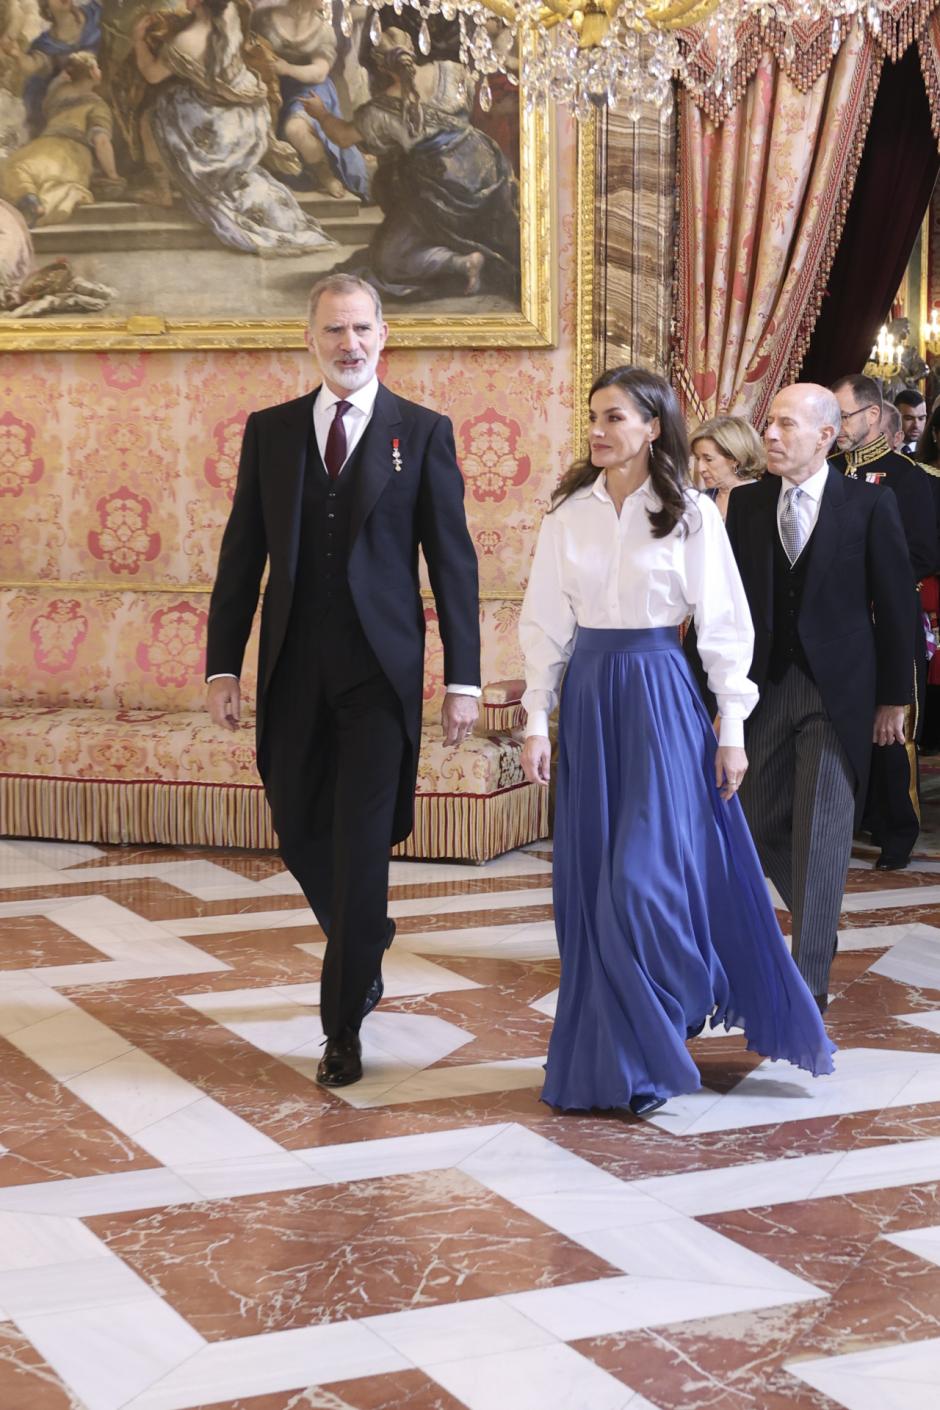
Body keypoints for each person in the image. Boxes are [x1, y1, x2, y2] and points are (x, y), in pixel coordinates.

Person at [519, 366, 834, 1116]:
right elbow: (542, 629)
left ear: (653, 427)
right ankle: (625, 1060)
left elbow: (727, 629)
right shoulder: (566, 519)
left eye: (615, 417)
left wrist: (731, 730)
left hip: (662, 698)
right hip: (591, 701)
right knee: (594, 894)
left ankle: (669, 1010)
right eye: (593, 416)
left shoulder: (692, 513)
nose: (597, 429)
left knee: (642, 881)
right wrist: (536, 719)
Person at [206, 273, 481, 1088]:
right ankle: (366, 938)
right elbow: (238, 559)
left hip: (377, 680)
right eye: (333, 331)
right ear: (310, 339)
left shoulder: (422, 433)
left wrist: (463, 678)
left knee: (361, 849)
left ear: (383, 335)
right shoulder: (272, 431)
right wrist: (223, 663)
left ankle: (342, 1031)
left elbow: (453, 567)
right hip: (292, 671)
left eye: (362, 329)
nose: (349, 344)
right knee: (296, 833)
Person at [727, 384, 915, 1008]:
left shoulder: (868, 505)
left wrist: (894, 697)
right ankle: (818, 922)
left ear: (826, 437)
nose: (771, 436)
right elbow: (728, 606)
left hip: (841, 695)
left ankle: (808, 985)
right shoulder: (748, 505)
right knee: (750, 824)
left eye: (785, 425)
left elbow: (896, 608)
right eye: (768, 424)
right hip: (766, 687)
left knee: (825, 831)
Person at [302, 26, 519, 299]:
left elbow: (343, 137)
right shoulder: (450, 70)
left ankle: (462, 262)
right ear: (412, 50)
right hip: (485, 166)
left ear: (379, 66)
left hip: (440, 188)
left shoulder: (378, 111)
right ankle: (466, 259)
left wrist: (321, 114)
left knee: (389, 261)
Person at [830, 373, 937, 870]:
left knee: (893, 730)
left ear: (872, 417)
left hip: (885, 617)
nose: (835, 426)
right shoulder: (828, 469)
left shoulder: (911, 478)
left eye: (842, 416)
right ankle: (854, 816)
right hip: (831, 621)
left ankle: (898, 831)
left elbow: (921, 553)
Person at [128, 0, 334, 255]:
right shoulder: (233, 11)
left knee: (154, 113)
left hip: (219, 129)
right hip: (249, 119)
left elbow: (152, 75)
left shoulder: (184, 42)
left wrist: (138, 40)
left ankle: (162, 190)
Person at [250, 0, 369, 200]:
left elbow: (320, 73)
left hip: (310, 90)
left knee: (295, 129)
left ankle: (325, 175)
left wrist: (287, 68)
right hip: (271, 87)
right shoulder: (264, 18)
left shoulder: (323, 30)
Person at [0, 51, 123, 227]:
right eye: (96, 67)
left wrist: (64, 77)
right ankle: (32, 203)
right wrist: (112, 174)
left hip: (47, 148)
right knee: (54, 183)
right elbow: (101, 141)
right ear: (92, 73)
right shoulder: (97, 105)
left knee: (13, 167)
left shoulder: (56, 94)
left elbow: (55, 88)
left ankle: (29, 200)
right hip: (69, 153)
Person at [690, 414, 765, 520]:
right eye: (698, 459)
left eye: (708, 459)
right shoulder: (701, 501)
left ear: (735, 458)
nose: (700, 469)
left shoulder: (763, 499)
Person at [895, 388, 927, 455]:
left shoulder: (931, 454)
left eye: (921, 418)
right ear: (895, 417)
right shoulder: (881, 449)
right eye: (909, 418)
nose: (916, 425)